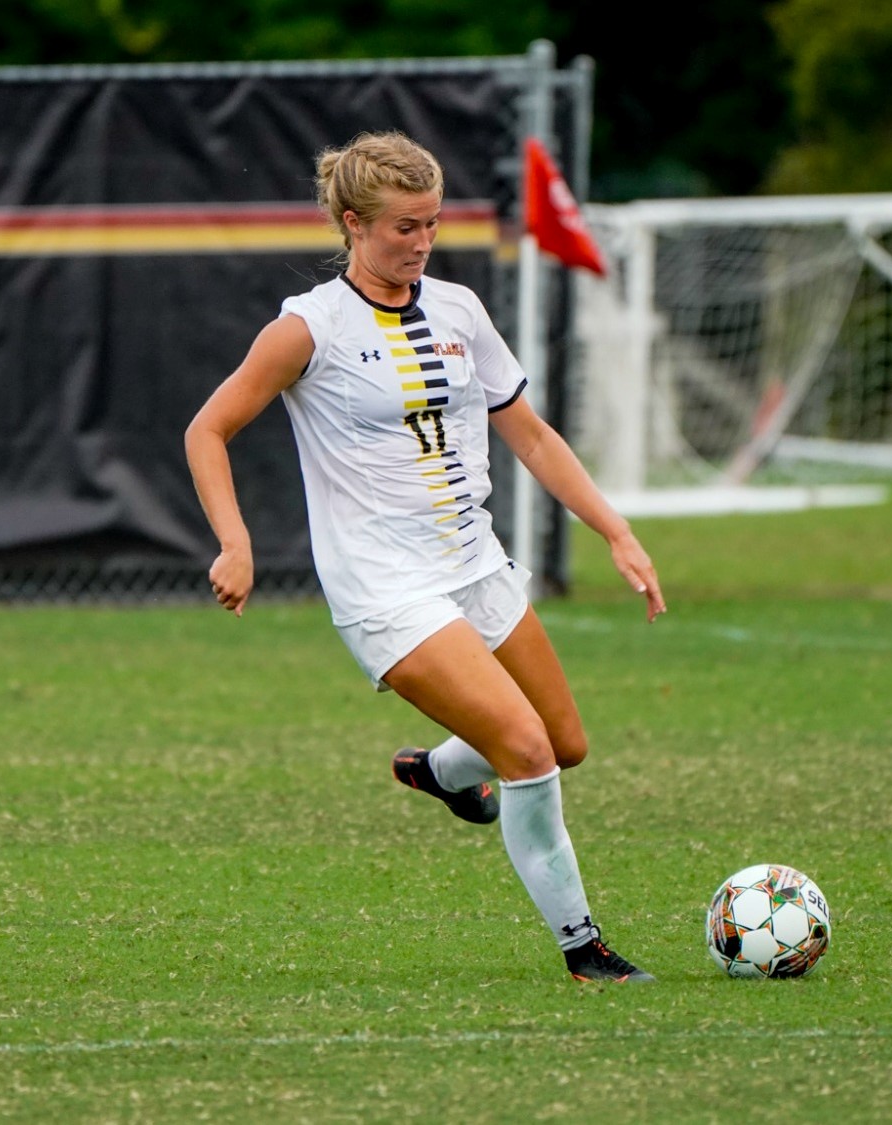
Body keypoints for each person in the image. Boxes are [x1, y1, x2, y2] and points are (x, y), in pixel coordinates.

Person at [185, 131, 666, 982]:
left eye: (433, 224)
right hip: (386, 587)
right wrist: (235, 541)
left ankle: (443, 773)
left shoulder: (460, 310)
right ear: (351, 222)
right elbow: (208, 429)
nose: (420, 243)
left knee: (566, 740)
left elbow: (533, 436)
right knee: (526, 749)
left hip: (475, 564)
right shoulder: (309, 327)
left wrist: (615, 529)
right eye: (403, 226)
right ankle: (584, 948)